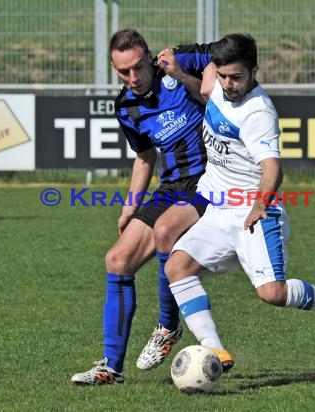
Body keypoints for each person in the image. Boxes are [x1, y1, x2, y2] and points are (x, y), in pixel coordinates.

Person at [164, 33, 315, 371]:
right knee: (176, 268)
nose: (229, 84)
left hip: (256, 211)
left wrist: (260, 204)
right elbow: (208, 90)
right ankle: (215, 353)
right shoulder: (216, 80)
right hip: (219, 207)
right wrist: (185, 75)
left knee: (272, 294)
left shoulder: (258, 114)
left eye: (237, 77)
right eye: (223, 75)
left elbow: (272, 167)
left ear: (254, 72)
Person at [71, 29, 214, 385]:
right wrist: (128, 206)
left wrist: (182, 74)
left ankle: (167, 326)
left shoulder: (179, 64)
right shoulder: (126, 107)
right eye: (123, 72)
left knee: (165, 230)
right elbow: (145, 156)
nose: (132, 78)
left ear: (149, 57)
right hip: (172, 185)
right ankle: (110, 367)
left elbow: (217, 89)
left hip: (213, 178)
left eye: (137, 67)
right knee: (117, 260)